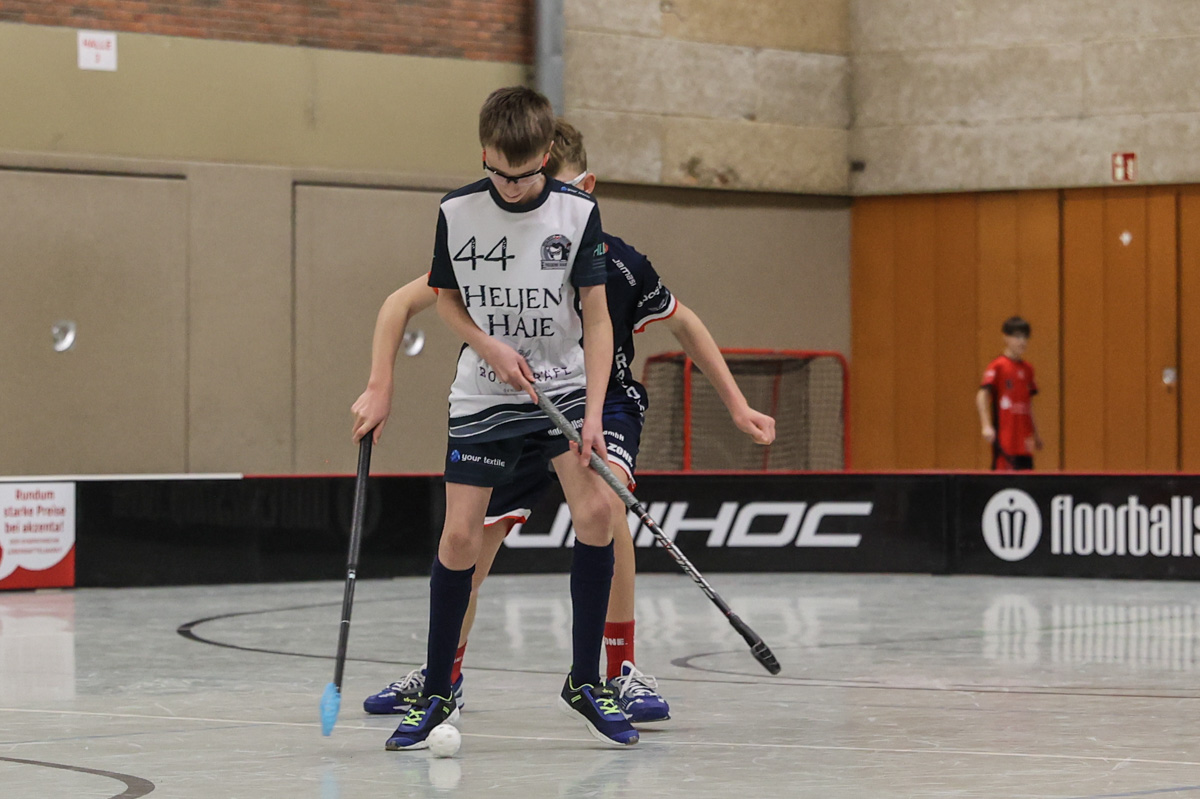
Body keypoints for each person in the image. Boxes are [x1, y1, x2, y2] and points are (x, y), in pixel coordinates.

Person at [351, 119, 775, 733]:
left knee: (605, 506)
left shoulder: (615, 260)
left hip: (599, 400)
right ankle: (444, 674)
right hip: (510, 403)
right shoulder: (496, 237)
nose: (532, 199)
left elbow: (684, 323)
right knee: (471, 541)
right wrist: (380, 384)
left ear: (583, 187)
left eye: (550, 186)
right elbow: (403, 303)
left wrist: (736, 405)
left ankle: (617, 671)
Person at [371, 86, 636, 750]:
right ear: (484, 153)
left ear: (546, 156)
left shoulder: (578, 213)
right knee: (461, 537)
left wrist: (595, 411)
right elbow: (446, 300)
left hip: (562, 387)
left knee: (597, 512)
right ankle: (438, 689)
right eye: (498, 173)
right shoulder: (457, 211)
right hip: (486, 392)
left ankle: (585, 681)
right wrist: (488, 346)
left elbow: (597, 316)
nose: (510, 188)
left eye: (523, 175)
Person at [976, 315, 1042, 471]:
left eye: (1025, 337)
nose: (1022, 341)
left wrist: (1036, 434)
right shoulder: (998, 366)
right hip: (1005, 443)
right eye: (1017, 337)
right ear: (1005, 338)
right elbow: (981, 395)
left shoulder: (1028, 369)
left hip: (1025, 443)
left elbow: (1028, 405)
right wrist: (986, 425)